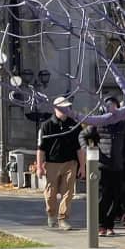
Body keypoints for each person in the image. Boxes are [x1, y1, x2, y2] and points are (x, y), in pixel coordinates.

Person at [36, 96, 84, 230]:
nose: (66, 109)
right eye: (63, 107)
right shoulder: (46, 126)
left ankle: (63, 218)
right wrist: (39, 167)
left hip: (70, 163)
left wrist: (83, 167)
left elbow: (80, 148)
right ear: (55, 108)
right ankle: (51, 215)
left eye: (67, 107)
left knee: (68, 192)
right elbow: (41, 149)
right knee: (51, 193)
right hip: (52, 163)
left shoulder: (74, 125)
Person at [84, 95, 125, 236]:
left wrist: (123, 158)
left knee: (115, 197)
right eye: (109, 106)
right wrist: (90, 150)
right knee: (103, 197)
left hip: (117, 166)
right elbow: (83, 135)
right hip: (102, 166)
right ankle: (100, 224)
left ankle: (109, 225)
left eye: (115, 106)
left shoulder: (123, 125)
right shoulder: (98, 123)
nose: (112, 109)